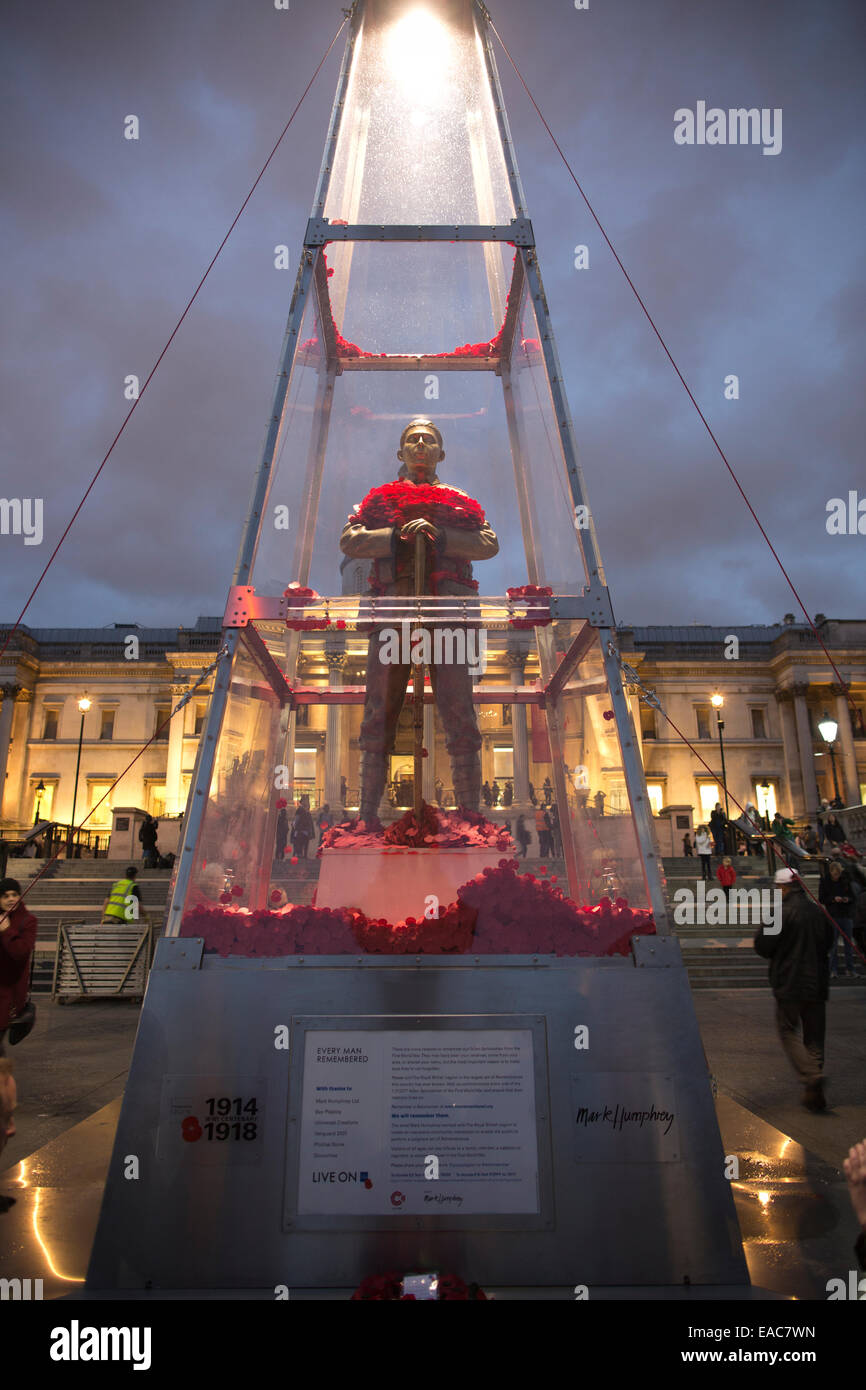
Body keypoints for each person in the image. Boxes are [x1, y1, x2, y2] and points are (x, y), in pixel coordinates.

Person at [340, 418, 498, 824]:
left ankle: (470, 814)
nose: (421, 445)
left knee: (460, 709)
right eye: (413, 440)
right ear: (401, 453)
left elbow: (488, 543)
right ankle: (368, 816)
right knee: (379, 710)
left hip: (448, 615)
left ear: (441, 453)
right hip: (392, 613)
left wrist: (441, 535)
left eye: (429, 440)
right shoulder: (376, 503)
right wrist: (394, 536)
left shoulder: (460, 501)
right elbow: (349, 540)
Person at [754, 867, 835, 1111]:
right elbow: (829, 943)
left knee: (788, 1030)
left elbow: (763, 946)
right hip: (817, 982)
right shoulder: (820, 913)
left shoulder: (779, 913)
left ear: (783, 887)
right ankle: (813, 1088)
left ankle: (811, 1076)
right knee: (814, 1036)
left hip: (789, 982)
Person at [0, 879, 37, 1059]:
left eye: (15, 895)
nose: (11, 899)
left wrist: (7, 931)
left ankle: (4, 1083)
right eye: (6, 896)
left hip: (9, 994)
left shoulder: (27, 921)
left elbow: (21, 952)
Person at [819, 859, 856, 977]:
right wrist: (833, 899)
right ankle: (832, 969)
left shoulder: (845, 881)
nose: (837, 876)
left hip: (845, 914)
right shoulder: (825, 882)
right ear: (831, 872)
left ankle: (850, 969)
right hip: (833, 915)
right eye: (835, 874)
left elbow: (852, 897)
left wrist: (847, 899)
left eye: (838, 874)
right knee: (833, 945)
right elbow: (822, 898)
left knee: (848, 944)